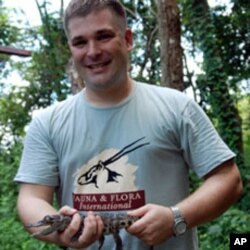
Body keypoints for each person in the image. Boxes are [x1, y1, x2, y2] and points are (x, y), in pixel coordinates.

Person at [15, 0, 243, 249]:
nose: (92, 51)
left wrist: (176, 217)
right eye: (80, 42)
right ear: (71, 49)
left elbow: (228, 179)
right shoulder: (47, 123)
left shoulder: (178, 107)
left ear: (127, 39)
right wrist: (61, 231)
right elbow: (31, 198)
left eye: (103, 36)